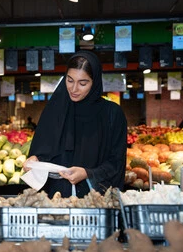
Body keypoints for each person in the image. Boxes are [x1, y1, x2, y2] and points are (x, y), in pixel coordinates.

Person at [23, 50, 127, 198]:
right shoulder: (54, 111)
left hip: (93, 201)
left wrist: (87, 173)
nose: (74, 89)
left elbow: (116, 163)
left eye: (82, 83)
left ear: (95, 82)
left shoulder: (112, 115)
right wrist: (34, 160)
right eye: (70, 80)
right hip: (53, 200)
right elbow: (41, 152)